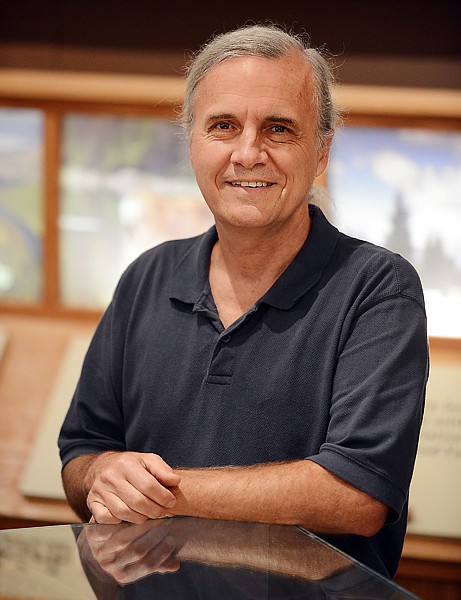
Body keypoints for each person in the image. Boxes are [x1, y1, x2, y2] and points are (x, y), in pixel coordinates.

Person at [59, 24, 428, 579]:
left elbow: (357, 494)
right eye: (223, 126)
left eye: (279, 128)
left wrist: (159, 492)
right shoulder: (145, 277)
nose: (248, 153)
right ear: (192, 143)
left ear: (321, 151)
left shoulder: (378, 288)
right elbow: (81, 452)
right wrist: (101, 474)